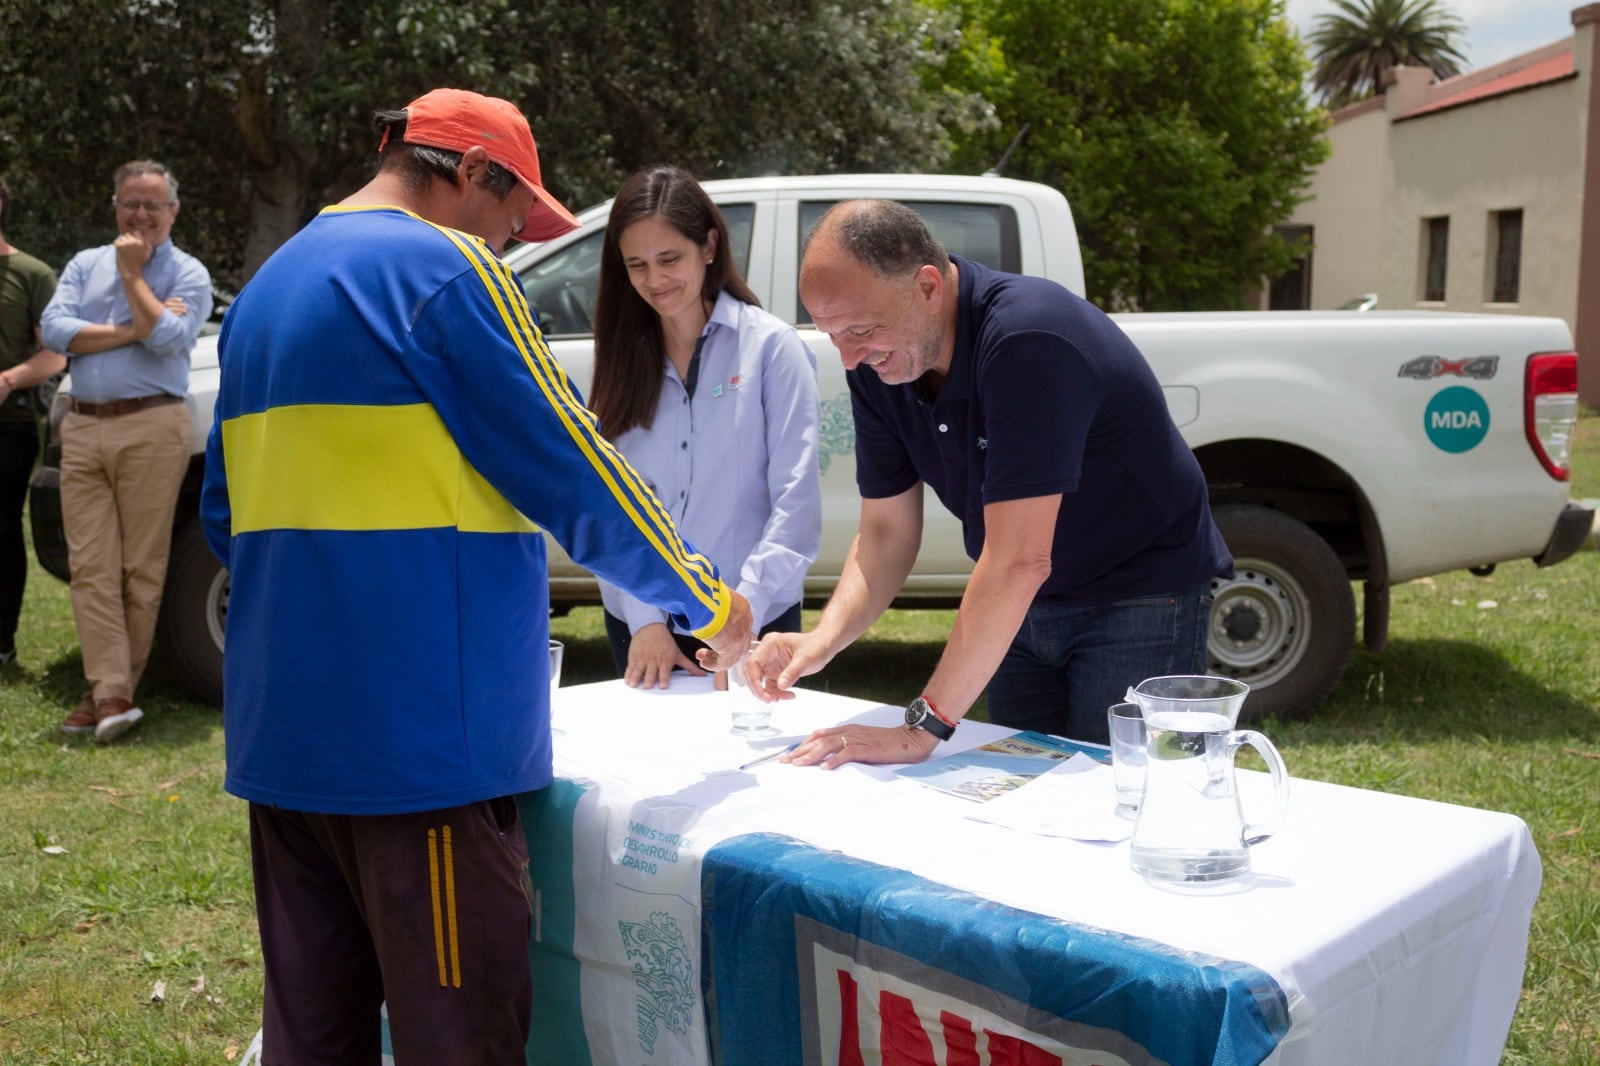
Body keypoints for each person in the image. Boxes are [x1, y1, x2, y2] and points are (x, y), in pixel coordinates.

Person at [198, 89, 753, 1064]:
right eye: (511, 216)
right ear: (470, 173)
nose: (508, 241)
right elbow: (569, 461)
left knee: (311, 1036)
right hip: (420, 751)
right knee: (459, 1038)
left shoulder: (267, 290)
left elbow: (223, 514)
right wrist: (702, 594)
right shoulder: (445, 270)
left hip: (284, 741)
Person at [744, 199, 1232, 763]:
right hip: (1020, 606)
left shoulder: (1028, 337)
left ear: (928, 287)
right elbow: (884, 532)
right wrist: (822, 640)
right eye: (832, 336)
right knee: (1024, 802)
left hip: (1139, 593)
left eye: (861, 329)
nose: (850, 358)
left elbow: (1020, 559)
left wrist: (921, 728)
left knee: (1120, 798)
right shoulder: (881, 363)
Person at [590, 165, 820, 689]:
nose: (655, 280)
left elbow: (796, 507)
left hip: (754, 622)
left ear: (709, 246)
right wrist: (646, 618)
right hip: (642, 628)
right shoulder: (619, 361)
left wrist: (741, 615)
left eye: (669, 259)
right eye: (637, 265)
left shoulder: (772, 350)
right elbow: (610, 504)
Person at [40, 160, 211, 742]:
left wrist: (134, 276)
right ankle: (112, 692)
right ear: (114, 205)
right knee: (91, 567)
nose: (139, 214)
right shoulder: (83, 264)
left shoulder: (188, 271)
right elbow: (55, 330)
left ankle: (109, 692)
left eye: (152, 205)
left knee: (141, 568)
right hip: (84, 427)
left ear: (173, 213)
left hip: (152, 425)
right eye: (129, 203)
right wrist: (133, 328)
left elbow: (171, 338)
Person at [0, 176, 67, 668]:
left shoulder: (31, 273)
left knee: (2, 533)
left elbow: (55, 354)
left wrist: (7, 381)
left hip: (10, 425)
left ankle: (2, 646)